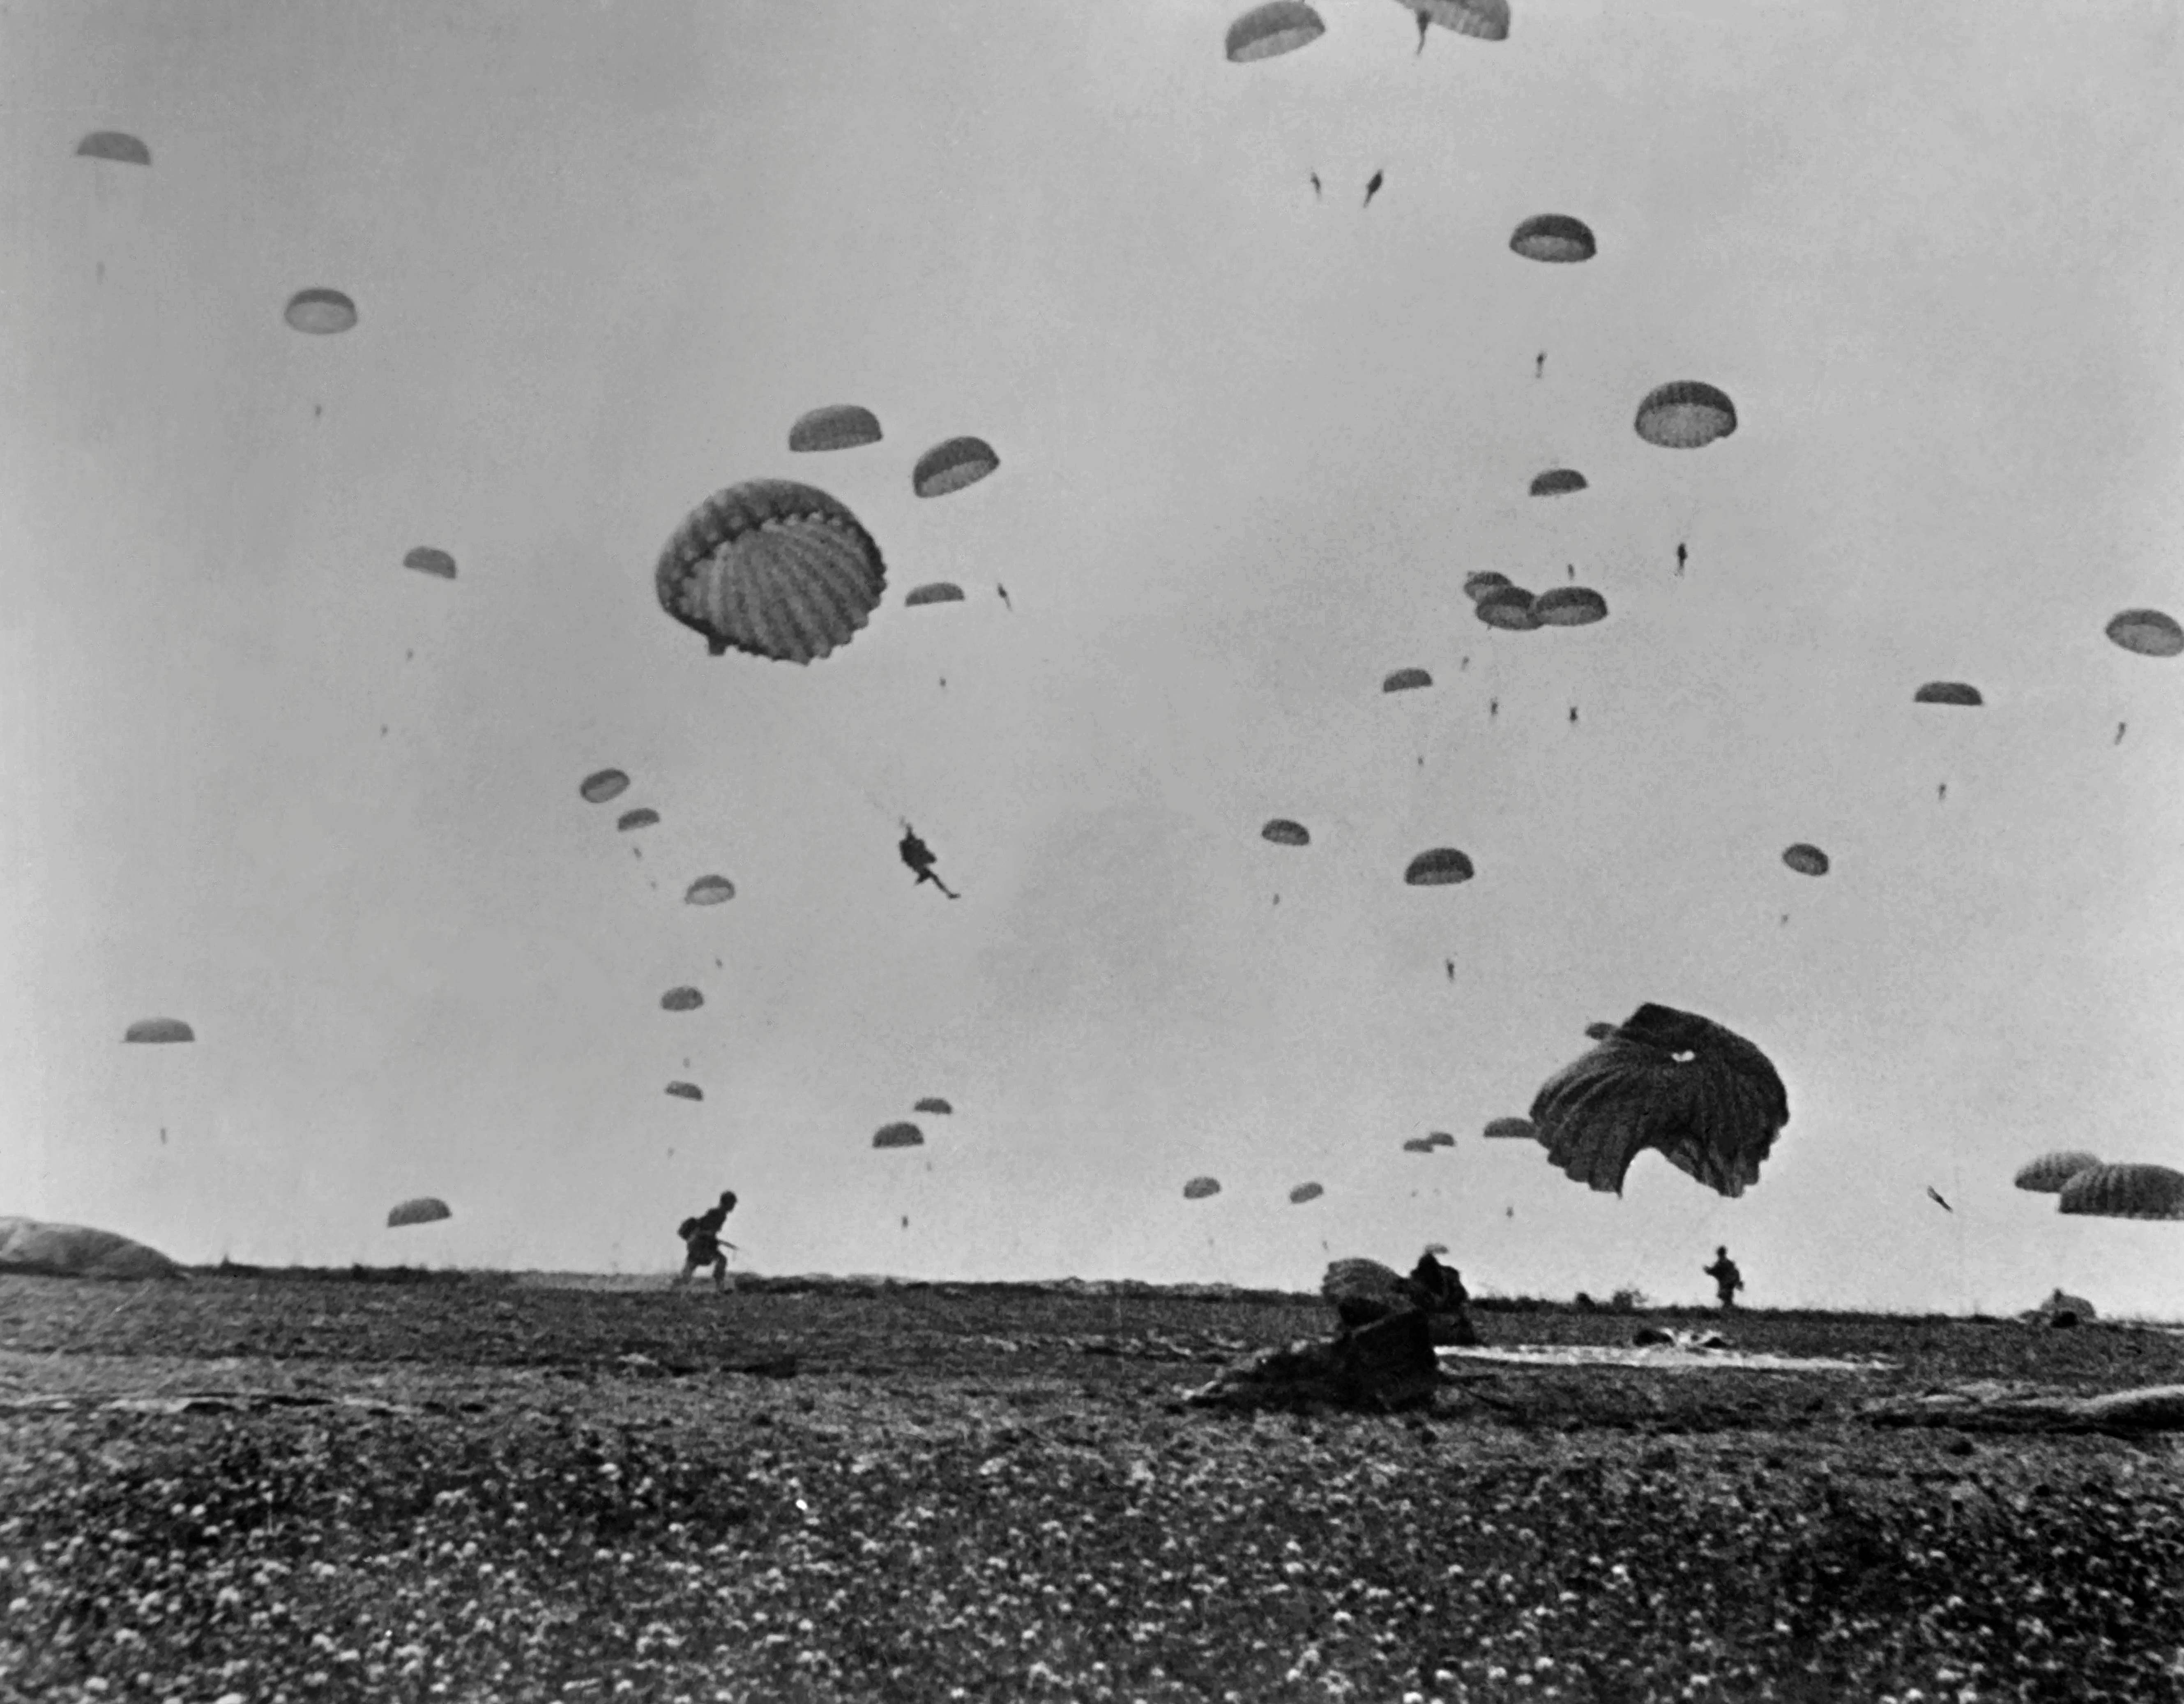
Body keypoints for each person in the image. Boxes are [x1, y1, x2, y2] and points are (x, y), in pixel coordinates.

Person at [676, 1190, 738, 1293]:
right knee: (722, 1260)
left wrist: (713, 1239)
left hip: (700, 1245)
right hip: (701, 1245)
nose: (734, 1206)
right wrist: (711, 1238)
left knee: (688, 1274)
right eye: (732, 1203)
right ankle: (720, 1289)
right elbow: (704, 1230)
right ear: (727, 1203)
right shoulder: (717, 1214)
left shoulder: (720, 1215)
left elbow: (708, 1231)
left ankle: (671, 1288)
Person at [898, 823, 960, 899]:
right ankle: (949, 894)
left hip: (918, 863)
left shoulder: (917, 843)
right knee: (932, 876)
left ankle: (949, 894)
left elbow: (925, 853)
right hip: (916, 863)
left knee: (933, 876)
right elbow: (906, 857)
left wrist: (930, 858)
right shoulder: (906, 844)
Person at [1703, 1245, 1743, 1310]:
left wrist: (1708, 1270)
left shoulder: (1722, 1264)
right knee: (1728, 1300)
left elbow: (1713, 1271)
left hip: (1726, 1286)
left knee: (1727, 1299)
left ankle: (1729, 1309)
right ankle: (1729, 1309)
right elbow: (1736, 1272)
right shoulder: (1728, 1264)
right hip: (1727, 1285)